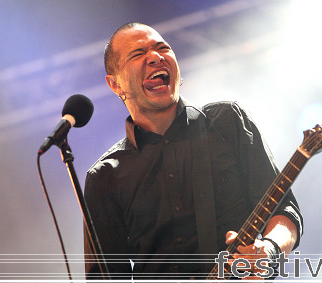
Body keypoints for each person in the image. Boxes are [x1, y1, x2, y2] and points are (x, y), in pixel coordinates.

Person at [83, 22, 303, 280]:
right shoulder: (105, 176)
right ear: (115, 84)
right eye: (138, 54)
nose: (155, 56)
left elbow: (285, 210)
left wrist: (270, 249)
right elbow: (107, 276)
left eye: (162, 48)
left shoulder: (228, 122)